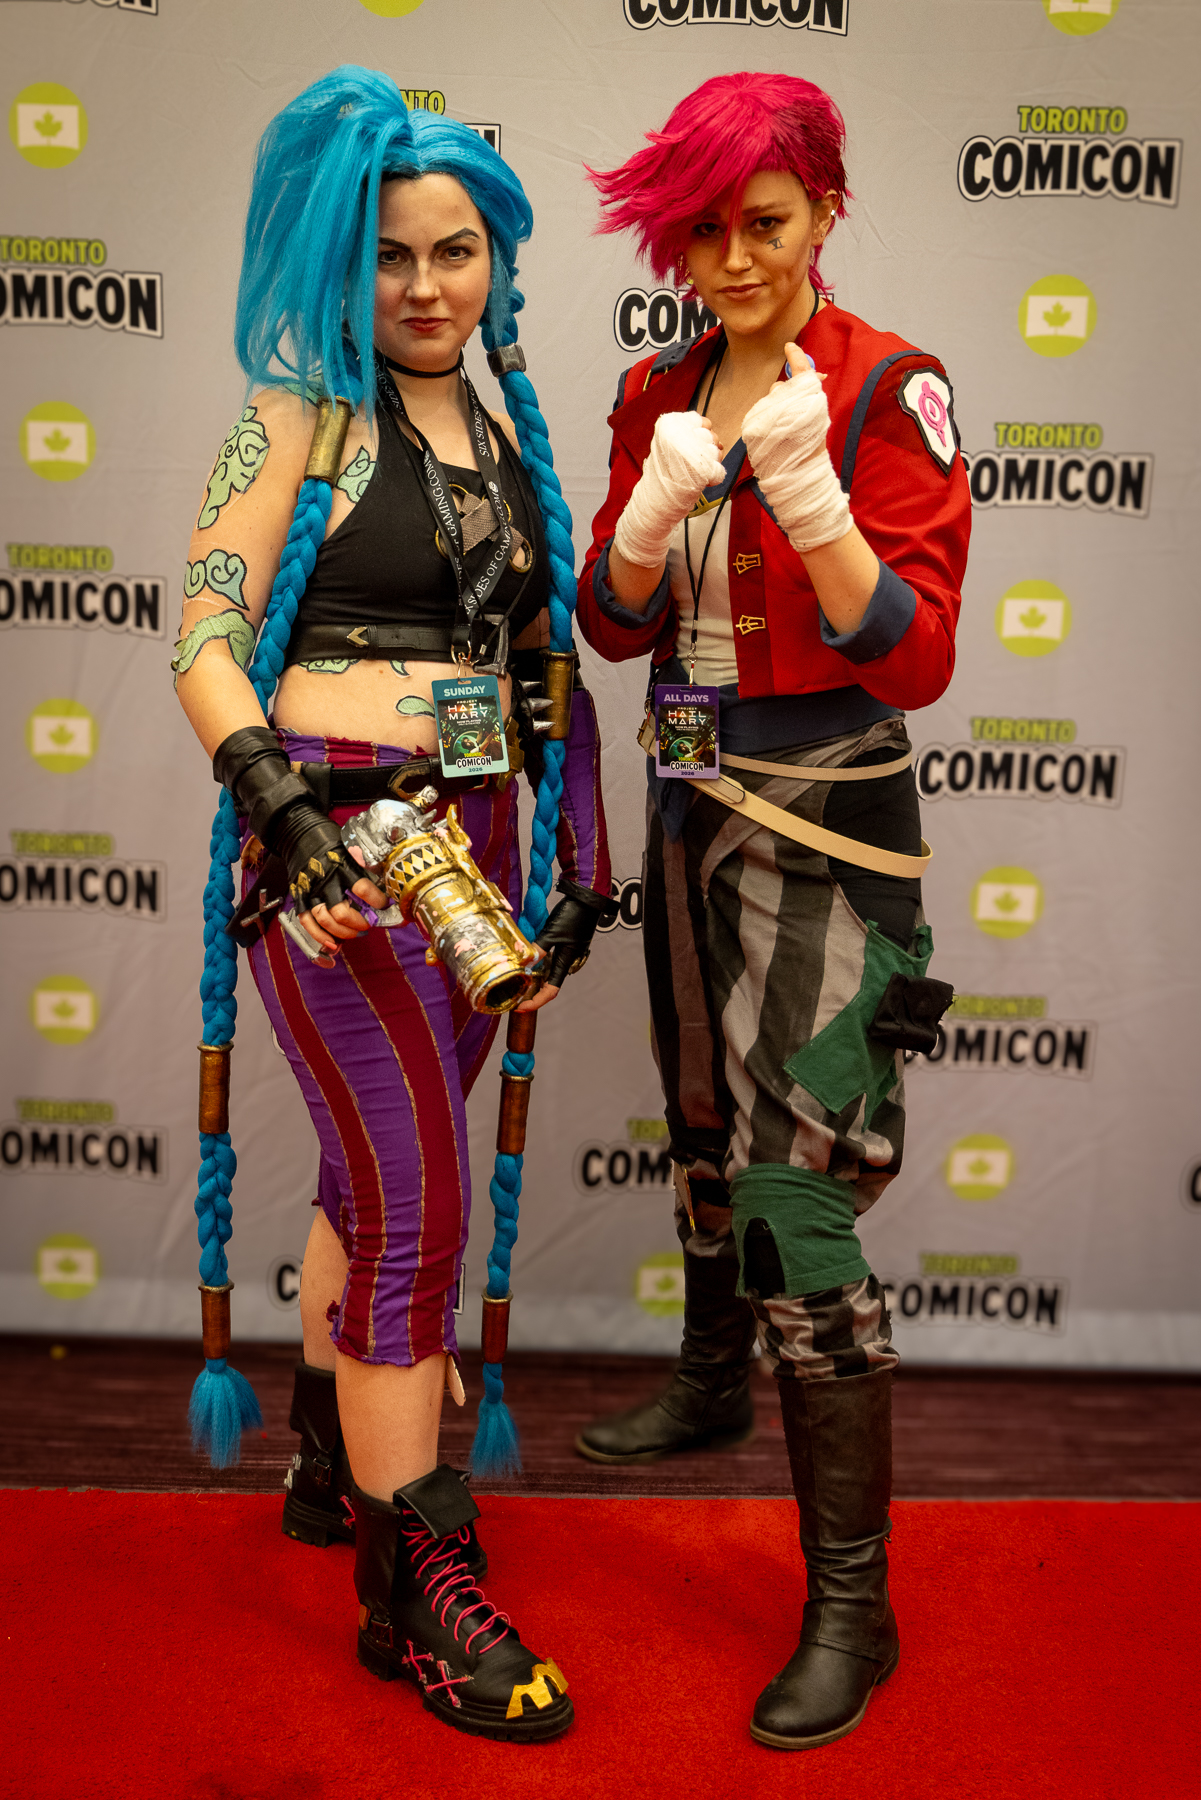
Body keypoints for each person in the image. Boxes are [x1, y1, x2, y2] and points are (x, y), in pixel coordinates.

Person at [175, 67, 614, 1743]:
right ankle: (411, 1589)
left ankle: (322, 1455)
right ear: (338, 262)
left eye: (455, 252)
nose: (427, 287)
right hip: (337, 865)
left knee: (376, 1186)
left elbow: (542, 677)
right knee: (417, 1205)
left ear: (495, 258)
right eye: (390, 256)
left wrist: (568, 875)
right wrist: (283, 821)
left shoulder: (500, 435)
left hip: (478, 853)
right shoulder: (292, 416)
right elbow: (202, 635)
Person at [574, 71, 970, 1749]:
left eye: (765, 223)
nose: (733, 260)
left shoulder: (887, 381)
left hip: (826, 819)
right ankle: (706, 1380)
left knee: (797, 1187)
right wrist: (646, 522)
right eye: (703, 232)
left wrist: (809, 506)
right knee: (697, 1119)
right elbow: (608, 627)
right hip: (684, 794)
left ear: (822, 211)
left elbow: (921, 659)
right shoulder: (652, 389)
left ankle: (851, 1604)